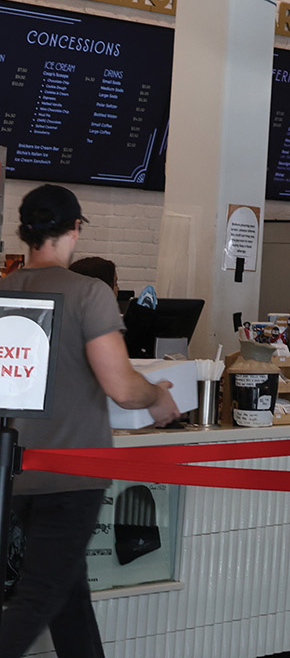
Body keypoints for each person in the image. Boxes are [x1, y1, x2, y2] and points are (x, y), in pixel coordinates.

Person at [0, 185, 179, 658]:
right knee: (38, 599)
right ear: (75, 229)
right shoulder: (88, 293)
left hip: (18, 472)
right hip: (73, 472)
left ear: (25, 231)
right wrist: (158, 398)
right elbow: (120, 385)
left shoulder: (6, 290)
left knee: (66, 596)